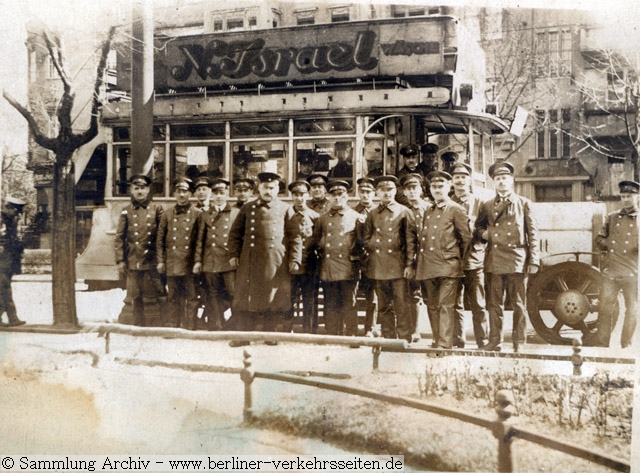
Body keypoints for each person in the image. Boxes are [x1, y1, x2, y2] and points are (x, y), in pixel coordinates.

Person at [227, 172, 301, 346]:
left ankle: (270, 334)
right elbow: (235, 234)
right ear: (259, 188)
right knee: (246, 298)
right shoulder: (248, 208)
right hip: (250, 260)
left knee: (273, 297)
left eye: (272, 188)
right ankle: (244, 336)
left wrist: (295, 259)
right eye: (265, 187)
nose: (268, 191)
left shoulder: (285, 209)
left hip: (274, 260)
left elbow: (295, 236)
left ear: (277, 190)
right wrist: (233, 254)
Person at [475, 161, 540, 352]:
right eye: (498, 179)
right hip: (494, 260)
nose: (501, 182)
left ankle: (519, 343)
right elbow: (478, 228)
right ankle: (494, 341)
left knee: (519, 305)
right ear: (493, 183)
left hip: (516, 260)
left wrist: (534, 260)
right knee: (494, 304)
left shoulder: (524, 204)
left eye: (505, 178)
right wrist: (484, 235)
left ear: (511, 180)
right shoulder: (487, 205)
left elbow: (533, 233)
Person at [414, 171, 471, 349]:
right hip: (429, 265)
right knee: (432, 306)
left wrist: (456, 259)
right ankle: (438, 340)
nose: (437, 190)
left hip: (448, 266)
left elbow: (466, 239)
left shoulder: (457, 209)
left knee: (445, 305)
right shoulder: (428, 210)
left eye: (441, 187)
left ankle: (444, 345)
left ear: (448, 187)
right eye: (434, 187)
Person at [363, 175, 417, 341]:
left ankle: (404, 337)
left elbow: (410, 241)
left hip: (398, 266)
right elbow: (366, 238)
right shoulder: (372, 213)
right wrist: (374, 245)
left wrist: (409, 265)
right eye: (382, 190)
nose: (386, 193)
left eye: (390, 190)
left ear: (395, 191)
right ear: (377, 192)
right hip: (378, 266)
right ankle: (388, 337)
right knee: (384, 305)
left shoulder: (404, 212)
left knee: (401, 304)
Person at [593, 180, 640, 348]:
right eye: (623, 196)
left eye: (630, 196)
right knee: (605, 309)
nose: (626, 200)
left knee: (632, 310)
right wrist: (610, 245)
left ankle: (626, 345)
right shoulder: (612, 218)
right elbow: (599, 238)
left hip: (633, 273)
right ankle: (602, 344)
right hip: (611, 272)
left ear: (637, 197)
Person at [314, 180, 363, 336]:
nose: (337, 198)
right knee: (331, 303)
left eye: (340, 195)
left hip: (348, 267)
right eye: (333, 195)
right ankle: (333, 334)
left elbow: (363, 243)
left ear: (346, 196)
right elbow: (316, 241)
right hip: (328, 268)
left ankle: (351, 335)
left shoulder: (357, 217)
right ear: (328, 197)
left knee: (350, 303)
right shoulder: (322, 219)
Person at [114, 174, 165, 327]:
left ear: (148, 190)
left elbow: (162, 236)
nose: (140, 192)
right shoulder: (126, 210)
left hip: (153, 259)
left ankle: (164, 322)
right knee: (135, 295)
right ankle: (138, 324)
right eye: (136, 188)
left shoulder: (157, 209)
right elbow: (119, 237)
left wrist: (161, 259)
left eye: (143, 188)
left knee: (160, 292)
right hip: (134, 259)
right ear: (131, 190)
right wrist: (120, 260)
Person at [450, 163, 489, 349]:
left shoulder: (480, 204)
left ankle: (483, 340)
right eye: (456, 177)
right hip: (452, 261)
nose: (459, 180)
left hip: (474, 259)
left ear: (469, 180)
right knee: (455, 303)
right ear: (452, 181)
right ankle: (458, 340)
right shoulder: (448, 203)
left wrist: (479, 234)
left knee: (478, 304)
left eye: (463, 177)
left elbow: (486, 229)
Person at [193, 178, 239, 331]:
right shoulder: (205, 214)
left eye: (222, 192)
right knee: (212, 295)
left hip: (228, 261)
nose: (219, 196)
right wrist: (198, 261)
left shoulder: (235, 213)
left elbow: (239, 239)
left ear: (227, 194)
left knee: (233, 294)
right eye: (215, 193)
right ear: (211, 195)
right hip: (210, 260)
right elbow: (200, 240)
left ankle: (234, 325)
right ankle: (216, 325)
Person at [157, 178, 202, 330]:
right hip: (172, 261)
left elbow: (199, 241)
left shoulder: (198, 214)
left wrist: (197, 261)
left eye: (185, 191)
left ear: (190, 194)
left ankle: (190, 325)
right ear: (175, 194)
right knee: (173, 295)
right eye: (179, 191)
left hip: (189, 262)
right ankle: (173, 324)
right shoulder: (167, 214)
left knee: (191, 296)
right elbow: (160, 240)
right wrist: (160, 261)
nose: (182, 195)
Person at [286, 180, 320, 333]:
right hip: (290, 264)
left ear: (308, 195)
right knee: (288, 298)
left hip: (310, 264)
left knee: (310, 299)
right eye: (296, 195)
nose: (299, 198)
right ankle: (287, 330)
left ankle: (309, 331)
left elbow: (318, 240)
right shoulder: (286, 215)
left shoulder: (315, 217)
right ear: (292, 196)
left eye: (302, 194)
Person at [400, 173, 430, 343]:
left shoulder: (429, 208)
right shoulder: (403, 211)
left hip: (428, 258)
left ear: (421, 190)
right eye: (408, 189)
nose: (412, 192)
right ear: (404, 192)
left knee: (432, 297)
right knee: (412, 295)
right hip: (408, 259)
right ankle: (414, 330)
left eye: (415, 188)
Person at [353, 177, 378, 336]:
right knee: (352, 296)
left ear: (373, 193)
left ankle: (370, 327)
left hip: (373, 260)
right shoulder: (352, 211)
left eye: (368, 192)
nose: (365, 195)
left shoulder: (378, 213)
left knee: (372, 297)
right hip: (355, 260)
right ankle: (353, 327)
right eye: (362, 191)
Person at [0, 196, 26, 327]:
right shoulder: (2, 220)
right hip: (2, 261)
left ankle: (12, 318)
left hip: (8, 261)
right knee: (4, 289)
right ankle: (12, 318)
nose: (18, 214)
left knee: (4, 290)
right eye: (16, 211)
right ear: (9, 208)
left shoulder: (10, 220)